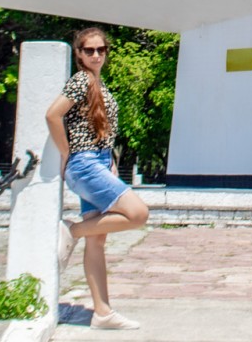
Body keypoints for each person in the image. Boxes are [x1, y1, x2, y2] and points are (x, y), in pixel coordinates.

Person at [46, 26, 150, 331]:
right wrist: (66, 154)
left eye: (100, 50)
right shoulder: (80, 81)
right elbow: (53, 115)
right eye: (89, 50)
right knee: (138, 214)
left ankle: (102, 312)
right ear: (78, 54)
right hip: (84, 163)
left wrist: (111, 162)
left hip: (99, 163)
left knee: (98, 240)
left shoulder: (97, 84)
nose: (95, 55)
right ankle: (72, 229)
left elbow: (102, 130)